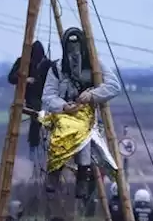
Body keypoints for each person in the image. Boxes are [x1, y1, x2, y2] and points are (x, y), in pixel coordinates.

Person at [41, 27, 121, 206]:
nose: (74, 51)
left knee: (83, 132)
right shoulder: (57, 68)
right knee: (63, 129)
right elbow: (47, 96)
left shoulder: (95, 65)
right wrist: (62, 106)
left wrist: (92, 95)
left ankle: (83, 177)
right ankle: (54, 171)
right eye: (70, 47)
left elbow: (114, 86)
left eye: (77, 46)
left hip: (86, 113)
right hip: (63, 113)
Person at [8, 40, 54, 167]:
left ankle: (52, 147)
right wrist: (24, 79)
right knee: (37, 116)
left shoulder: (47, 64)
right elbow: (11, 78)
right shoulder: (23, 62)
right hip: (30, 97)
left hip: (46, 96)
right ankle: (33, 146)